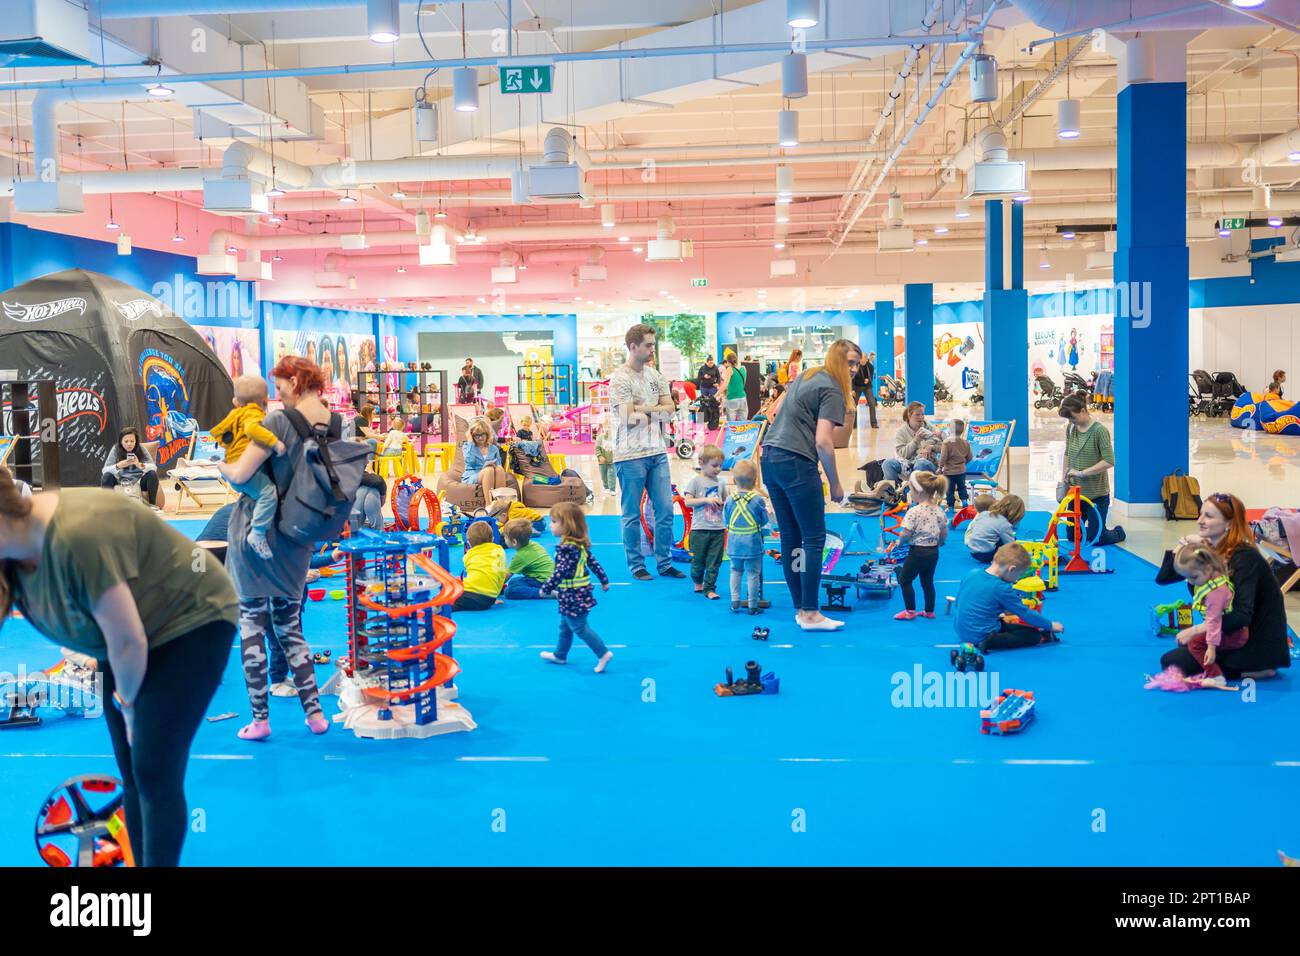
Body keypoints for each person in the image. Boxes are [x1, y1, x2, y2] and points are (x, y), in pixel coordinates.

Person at [0, 471, 238, 866]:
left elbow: (129, 642)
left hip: (192, 620)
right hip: (123, 634)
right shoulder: (10, 551)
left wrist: (129, 704)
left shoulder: (77, 536)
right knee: (131, 767)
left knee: (152, 767)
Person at [218, 356, 332, 742]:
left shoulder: (277, 423)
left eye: (281, 386)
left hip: (257, 535)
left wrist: (223, 467)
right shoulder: (332, 424)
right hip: (299, 538)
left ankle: (260, 719)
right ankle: (315, 715)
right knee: (290, 627)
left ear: (296, 381)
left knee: (251, 623)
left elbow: (242, 475)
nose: (277, 395)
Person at [760, 338, 861, 631]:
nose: (853, 369)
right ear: (836, 360)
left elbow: (775, 413)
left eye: (857, 363)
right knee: (814, 539)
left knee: (791, 538)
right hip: (794, 462)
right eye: (849, 362)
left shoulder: (807, 375)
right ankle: (810, 612)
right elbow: (824, 442)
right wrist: (836, 485)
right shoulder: (832, 388)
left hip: (770, 458)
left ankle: (800, 606)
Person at [1157, 493, 1290, 681]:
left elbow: (1242, 615)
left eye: (1209, 516)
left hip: (1254, 639)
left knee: (1172, 662)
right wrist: (1181, 545)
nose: (1200, 521)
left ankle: (1258, 668)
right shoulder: (1208, 550)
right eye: (1200, 514)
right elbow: (1163, 579)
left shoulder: (1244, 557)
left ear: (1229, 523)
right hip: (1230, 632)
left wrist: (1197, 629)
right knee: (1180, 653)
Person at [610, 324, 685, 581]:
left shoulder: (656, 375)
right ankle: (636, 565)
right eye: (648, 345)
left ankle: (664, 563)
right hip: (629, 454)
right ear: (633, 347)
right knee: (631, 513)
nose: (653, 349)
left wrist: (644, 408)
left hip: (657, 451)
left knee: (665, 509)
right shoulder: (620, 378)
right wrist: (655, 410)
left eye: (653, 344)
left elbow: (671, 409)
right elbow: (628, 417)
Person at [211, 375, 288, 561]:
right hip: (244, 472)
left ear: (235, 402)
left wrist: (225, 446)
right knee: (268, 493)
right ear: (265, 400)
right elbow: (253, 430)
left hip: (233, 466)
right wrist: (275, 443)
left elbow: (218, 431)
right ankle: (258, 532)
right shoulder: (254, 414)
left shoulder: (235, 413)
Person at [538, 502, 613, 672]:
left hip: (573, 594)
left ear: (567, 525)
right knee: (565, 625)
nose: (551, 525)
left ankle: (603, 653)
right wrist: (604, 580)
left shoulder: (567, 549)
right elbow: (594, 564)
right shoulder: (578, 545)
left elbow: (561, 571)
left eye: (554, 522)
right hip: (579, 592)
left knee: (579, 626)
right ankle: (560, 654)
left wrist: (547, 588)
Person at [954, 542, 1064, 653]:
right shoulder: (1001, 588)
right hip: (981, 635)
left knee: (1011, 625)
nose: (1016, 580)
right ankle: (989, 641)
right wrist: (1050, 625)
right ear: (1011, 569)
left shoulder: (972, 573)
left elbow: (958, 602)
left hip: (961, 631)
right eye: (1018, 575)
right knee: (1033, 635)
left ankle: (988, 636)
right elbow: (1026, 613)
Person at [1168, 542, 1250, 689]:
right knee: (1186, 643)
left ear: (1207, 568)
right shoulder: (1214, 573)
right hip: (1223, 629)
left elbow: (1214, 621)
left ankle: (1216, 676)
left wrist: (1211, 648)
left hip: (1233, 634)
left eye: (1193, 577)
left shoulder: (1215, 593)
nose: (1191, 582)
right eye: (1187, 578)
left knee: (1195, 644)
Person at [1058, 393, 1125, 546]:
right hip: (1076, 494)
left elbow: (1109, 460)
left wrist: (1082, 473)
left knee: (1096, 539)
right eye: (1068, 419)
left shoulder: (1099, 431)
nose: (1071, 422)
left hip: (1097, 495)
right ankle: (1096, 529)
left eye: (1073, 418)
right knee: (1072, 536)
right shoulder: (1070, 428)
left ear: (1082, 411)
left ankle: (1118, 532)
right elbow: (1067, 453)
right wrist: (1064, 478)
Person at [893, 471, 949, 620]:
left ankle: (910, 611)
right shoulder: (939, 511)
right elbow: (944, 533)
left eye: (910, 489)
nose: (910, 493)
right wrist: (940, 544)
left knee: (905, 580)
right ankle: (929, 611)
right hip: (933, 552)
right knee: (927, 582)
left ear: (918, 492)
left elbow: (906, 533)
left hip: (917, 552)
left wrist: (900, 542)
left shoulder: (914, 511)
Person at [683, 445, 727, 600]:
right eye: (714, 465)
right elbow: (688, 502)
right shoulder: (695, 482)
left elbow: (725, 500)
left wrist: (723, 504)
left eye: (720, 466)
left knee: (715, 561)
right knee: (698, 560)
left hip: (718, 529)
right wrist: (706, 500)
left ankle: (710, 588)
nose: (718, 469)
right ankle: (697, 581)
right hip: (700, 529)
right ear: (701, 463)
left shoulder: (721, 482)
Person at [724, 459, 769, 614]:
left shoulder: (730, 499)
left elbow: (726, 520)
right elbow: (764, 520)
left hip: (734, 543)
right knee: (753, 573)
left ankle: (735, 601)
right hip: (753, 543)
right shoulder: (758, 500)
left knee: (735, 570)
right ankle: (752, 604)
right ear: (756, 480)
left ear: (733, 480)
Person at [100, 427, 161, 508]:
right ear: (121, 442)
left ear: (136, 442)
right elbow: (105, 470)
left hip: (139, 482)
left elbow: (153, 467)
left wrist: (139, 464)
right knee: (106, 476)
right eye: (126, 441)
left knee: (152, 474)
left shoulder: (141, 448)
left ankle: (152, 506)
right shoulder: (116, 449)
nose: (129, 444)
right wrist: (119, 466)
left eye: (132, 441)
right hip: (120, 481)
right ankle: (108, 507)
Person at [454, 520, 507, 611]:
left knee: (451, 595)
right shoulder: (500, 551)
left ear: (469, 543)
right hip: (488, 599)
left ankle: (439, 608)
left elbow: (468, 574)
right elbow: (502, 575)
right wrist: (494, 596)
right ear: (492, 539)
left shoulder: (468, 555)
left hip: (469, 594)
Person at [883, 402, 940, 483]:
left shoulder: (931, 428)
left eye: (922, 414)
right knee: (887, 464)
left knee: (921, 464)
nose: (921, 417)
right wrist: (915, 441)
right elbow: (902, 454)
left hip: (928, 463)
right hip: (907, 464)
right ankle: (893, 491)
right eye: (917, 415)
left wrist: (931, 447)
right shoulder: (901, 432)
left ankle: (915, 491)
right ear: (909, 415)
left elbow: (943, 446)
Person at [501, 518, 555, 600]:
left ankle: (543, 593)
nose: (504, 538)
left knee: (509, 591)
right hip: (551, 578)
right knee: (514, 581)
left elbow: (506, 577)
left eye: (505, 537)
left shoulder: (520, 557)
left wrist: (491, 590)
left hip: (543, 582)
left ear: (514, 542)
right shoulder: (533, 544)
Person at [965, 494, 1025, 564]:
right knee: (1011, 538)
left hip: (972, 551)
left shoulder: (985, 513)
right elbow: (1010, 544)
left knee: (996, 534)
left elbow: (975, 528)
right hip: (986, 554)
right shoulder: (1004, 523)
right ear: (1014, 515)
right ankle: (996, 559)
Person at [461, 419, 510, 498]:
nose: (480, 438)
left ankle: (500, 502)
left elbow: (499, 465)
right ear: (472, 436)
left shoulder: (494, 448)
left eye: (482, 434)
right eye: (477, 435)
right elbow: (470, 461)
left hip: (491, 473)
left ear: (487, 434)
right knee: (488, 470)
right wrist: (470, 442)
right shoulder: (468, 446)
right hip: (473, 474)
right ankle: (489, 504)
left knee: (499, 469)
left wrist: (494, 466)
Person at [938, 419, 973, 511]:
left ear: (950, 429)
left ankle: (951, 506)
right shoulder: (965, 443)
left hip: (949, 472)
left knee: (949, 490)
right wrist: (963, 463)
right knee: (962, 487)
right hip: (961, 471)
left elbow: (943, 458)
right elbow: (970, 457)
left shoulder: (946, 443)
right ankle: (964, 501)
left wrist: (940, 467)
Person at [852, 352, 878, 429]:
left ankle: (874, 423)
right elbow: (851, 378)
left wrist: (868, 380)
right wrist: (852, 389)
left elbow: (870, 378)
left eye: (863, 359)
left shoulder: (870, 367)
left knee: (872, 404)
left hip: (867, 387)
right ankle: (854, 425)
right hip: (857, 386)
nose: (861, 360)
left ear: (866, 359)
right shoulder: (855, 366)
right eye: (860, 358)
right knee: (854, 405)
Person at [722, 353, 748, 423]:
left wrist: (715, 395)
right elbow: (743, 384)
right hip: (742, 398)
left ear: (727, 361)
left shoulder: (729, 369)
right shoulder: (743, 368)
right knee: (743, 424)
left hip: (732, 399)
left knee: (731, 425)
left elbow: (725, 385)